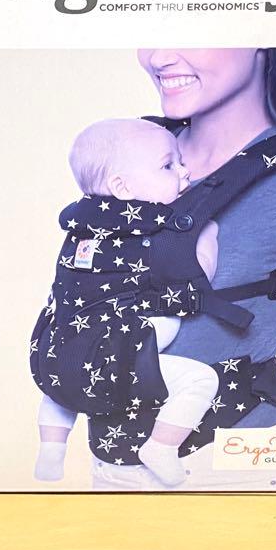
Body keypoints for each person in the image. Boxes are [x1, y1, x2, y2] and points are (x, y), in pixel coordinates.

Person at [90, 47, 276, 492]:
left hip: (231, 457)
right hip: (111, 456)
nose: (159, 56)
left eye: (194, 31)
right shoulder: (128, 150)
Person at [35, 118, 220, 486]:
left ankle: (51, 448)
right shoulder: (156, 229)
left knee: (63, 382)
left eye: (180, 161)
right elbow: (198, 278)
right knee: (201, 380)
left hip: (60, 349)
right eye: (168, 165)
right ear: (122, 187)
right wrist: (207, 237)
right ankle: (161, 447)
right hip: (122, 352)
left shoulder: (81, 227)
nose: (184, 171)